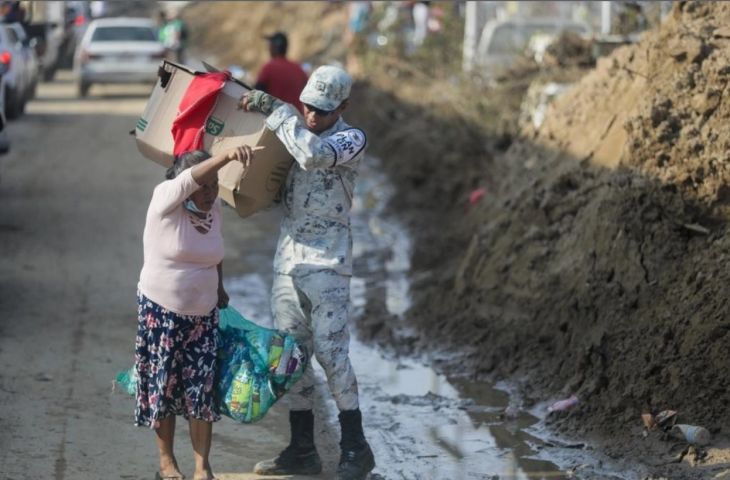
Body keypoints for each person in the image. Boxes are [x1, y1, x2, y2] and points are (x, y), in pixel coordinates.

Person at [239, 66, 375, 480]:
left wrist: (277, 111)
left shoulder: (350, 140)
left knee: (333, 356)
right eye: (307, 107)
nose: (312, 115)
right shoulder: (293, 133)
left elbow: (313, 154)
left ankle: (356, 447)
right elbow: (271, 183)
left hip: (328, 268)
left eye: (322, 110)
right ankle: (302, 449)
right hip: (287, 264)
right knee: (290, 359)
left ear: (343, 108)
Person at [135, 146, 257, 480]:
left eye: (214, 184)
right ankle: (166, 464)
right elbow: (193, 176)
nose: (210, 191)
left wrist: (219, 288)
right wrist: (228, 154)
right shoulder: (166, 198)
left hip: (203, 315)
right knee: (165, 385)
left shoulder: (214, 207)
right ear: (185, 184)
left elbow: (215, 251)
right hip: (162, 312)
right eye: (203, 185)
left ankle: (203, 468)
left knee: (201, 390)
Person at [254, 31, 308, 113]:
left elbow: (256, 93)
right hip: (298, 120)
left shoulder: (269, 67)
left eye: (270, 45)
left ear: (274, 47)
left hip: (276, 118)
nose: (268, 48)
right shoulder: (299, 69)